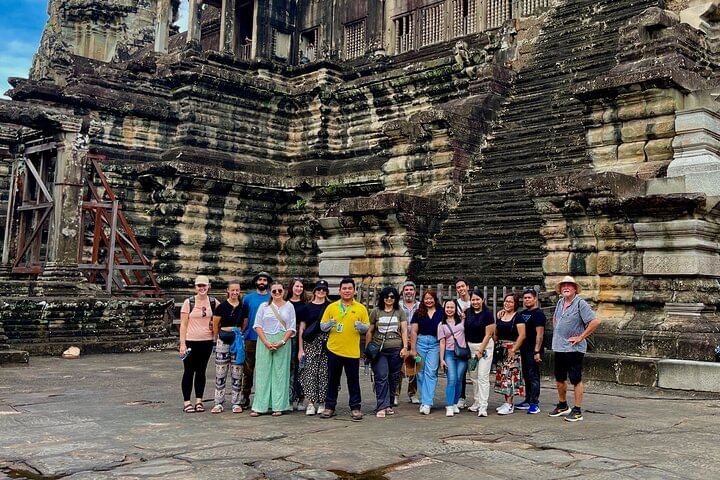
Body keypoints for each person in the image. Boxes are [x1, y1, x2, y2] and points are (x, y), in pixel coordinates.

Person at [549, 276, 601, 422]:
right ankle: (562, 405)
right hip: (559, 346)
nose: (566, 287)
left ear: (574, 289)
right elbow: (555, 319)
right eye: (563, 285)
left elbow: (595, 321)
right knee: (559, 378)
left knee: (575, 378)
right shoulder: (560, 302)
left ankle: (577, 410)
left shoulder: (580, 303)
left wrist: (581, 337)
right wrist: (558, 331)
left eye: (569, 285)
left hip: (574, 348)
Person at [319, 277, 370, 421]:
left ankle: (355, 408)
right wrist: (330, 323)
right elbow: (322, 326)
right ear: (340, 290)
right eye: (344, 288)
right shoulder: (332, 307)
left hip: (352, 351)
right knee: (332, 380)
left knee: (353, 381)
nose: (347, 291)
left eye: (349, 288)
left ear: (354, 290)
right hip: (334, 349)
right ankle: (329, 406)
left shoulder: (360, 308)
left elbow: (366, 327)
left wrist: (361, 327)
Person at [250, 281, 296, 417]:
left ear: (284, 291)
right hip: (265, 339)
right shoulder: (264, 306)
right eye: (274, 291)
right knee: (263, 372)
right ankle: (260, 406)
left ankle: (279, 405)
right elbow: (257, 325)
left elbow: (291, 327)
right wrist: (265, 341)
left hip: (283, 340)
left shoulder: (289, 306)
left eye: (279, 291)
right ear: (270, 292)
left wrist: (282, 341)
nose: (277, 293)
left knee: (280, 373)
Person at [366, 286, 409, 418]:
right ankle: (381, 406)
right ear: (383, 298)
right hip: (380, 350)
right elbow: (370, 331)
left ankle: (388, 404)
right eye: (387, 296)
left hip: (396, 348)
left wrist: (405, 347)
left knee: (393, 377)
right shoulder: (376, 312)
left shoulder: (399, 311)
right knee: (381, 376)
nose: (389, 299)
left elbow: (404, 330)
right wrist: (367, 349)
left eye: (392, 297)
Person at [179, 275, 216, 413]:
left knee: (201, 371)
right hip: (190, 341)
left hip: (206, 341)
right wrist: (182, 344)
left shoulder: (213, 302)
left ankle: (199, 400)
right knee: (189, 371)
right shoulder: (189, 302)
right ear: (195, 287)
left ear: (208, 286)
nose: (202, 288)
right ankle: (187, 402)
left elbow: (219, 318)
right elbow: (183, 324)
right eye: (199, 286)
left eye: (204, 286)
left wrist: (215, 327)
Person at [210, 280, 244, 414]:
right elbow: (216, 324)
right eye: (232, 290)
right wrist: (216, 339)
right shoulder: (221, 307)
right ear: (228, 291)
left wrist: (238, 334)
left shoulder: (243, 306)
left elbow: (245, 323)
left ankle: (236, 402)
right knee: (220, 372)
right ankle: (218, 402)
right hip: (223, 339)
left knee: (237, 371)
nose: (235, 292)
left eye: (237, 290)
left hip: (237, 339)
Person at [298, 280, 331, 415]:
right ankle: (311, 402)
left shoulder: (330, 306)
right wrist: (301, 349)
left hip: (326, 342)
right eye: (319, 289)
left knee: (324, 372)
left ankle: (322, 401)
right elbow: (302, 328)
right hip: (310, 342)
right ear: (315, 291)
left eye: (323, 290)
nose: (321, 292)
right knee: (310, 372)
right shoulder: (307, 307)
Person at [240, 271, 272, 409]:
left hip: (268, 338)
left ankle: (263, 398)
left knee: (265, 370)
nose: (262, 282)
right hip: (251, 338)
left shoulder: (272, 296)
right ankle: (245, 397)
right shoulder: (248, 298)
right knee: (248, 370)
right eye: (260, 280)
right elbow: (244, 317)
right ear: (256, 282)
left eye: (265, 280)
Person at [410, 289, 442, 415]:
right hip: (421, 343)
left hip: (435, 344)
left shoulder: (441, 312)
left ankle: (427, 402)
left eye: (431, 298)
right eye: (426, 298)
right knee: (420, 372)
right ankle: (424, 400)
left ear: (435, 299)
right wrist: (413, 349)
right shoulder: (418, 312)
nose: (428, 301)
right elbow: (413, 331)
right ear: (423, 300)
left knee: (431, 371)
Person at [464, 288, 495, 417]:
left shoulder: (488, 314)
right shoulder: (467, 312)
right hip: (471, 347)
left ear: (483, 300)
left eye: (478, 299)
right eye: (473, 300)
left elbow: (488, 334)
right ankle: (476, 401)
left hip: (485, 347)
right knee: (474, 376)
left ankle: (483, 405)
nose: (475, 302)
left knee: (483, 376)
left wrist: (480, 350)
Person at [515, 288, 547, 414]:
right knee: (526, 376)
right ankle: (527, 399)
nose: (527, 300)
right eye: (525, 298)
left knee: (534, 376)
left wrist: (537, 351)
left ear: (535, 299)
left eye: (529, 297)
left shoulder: (539, 314)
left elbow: (540, 334)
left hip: (533, 349)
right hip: (523, 348)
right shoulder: (522, 314)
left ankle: (534, 403)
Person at [494, 293, 526, 415]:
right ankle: (506, 401)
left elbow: (522, 335)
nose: (507, 303)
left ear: (515, 304)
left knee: (510, 376)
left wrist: (513, 349)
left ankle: (510, 404)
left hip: (512, 349)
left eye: (511, 302)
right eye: (506, 301)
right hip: (500, 349)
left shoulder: (518, 317)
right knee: (502, 376)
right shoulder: (501, 315)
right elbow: (497, 333)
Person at [438, 300, 468, 417]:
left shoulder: (462, 321)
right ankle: (449, 405)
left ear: (455, 309)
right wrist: (442, 359)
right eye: (447, 307)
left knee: (459, 379)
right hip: (449, 353)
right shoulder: (442, 325)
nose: (449, 309)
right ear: (444, 309)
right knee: (452, 379)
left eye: (452, 307)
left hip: (462, 353)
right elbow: (442, 342)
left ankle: (455, 403)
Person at [395, 280, 420, 405]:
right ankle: (395, 394)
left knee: (414, 366)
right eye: (406, 290)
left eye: (411, 290)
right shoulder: (397, 306)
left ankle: (413, 393)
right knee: (398, 367)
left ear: (415, 292)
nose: (408, 292)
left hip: (416, 340)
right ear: (403, 292)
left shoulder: (420, 306)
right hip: (400, 340)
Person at [286, 278, 307, 411]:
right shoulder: (285, 303)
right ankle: (287, 398)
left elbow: (303, 327)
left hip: (299, 337)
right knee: (287, 369)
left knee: (300, 368)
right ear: (291, 287)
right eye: (296, 286)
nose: (298, 289)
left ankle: (300, 398)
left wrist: (301, 347)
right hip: (286, 337)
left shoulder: (305, 305)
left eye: (301, 287)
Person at [454, 278, 471, 409]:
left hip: (475, 339)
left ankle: (478, 400)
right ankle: (461, 397)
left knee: (476, 372)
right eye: (458, 287)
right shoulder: (455, 304)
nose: (461, 289)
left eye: (462, 286)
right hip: (461, 340)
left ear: (467, 287)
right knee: (461, 371)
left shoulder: (476, 301)